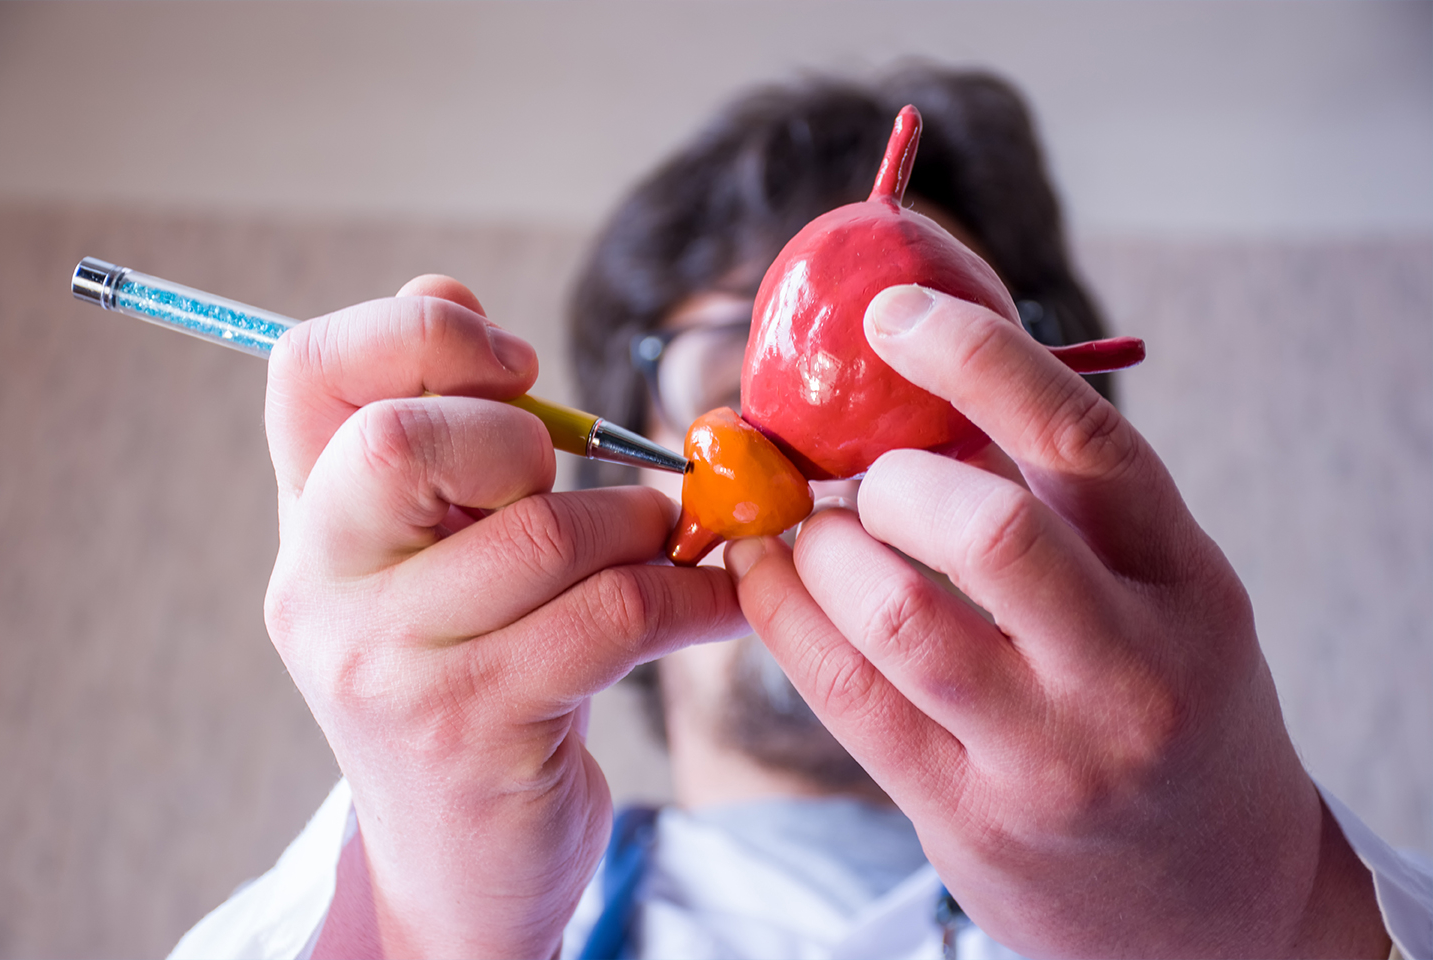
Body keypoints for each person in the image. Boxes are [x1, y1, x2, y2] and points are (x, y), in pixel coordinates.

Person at [171, 69, 1430, 960]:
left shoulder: (1304, 896)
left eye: (928, 408)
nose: (834, 478)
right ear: (625, 486)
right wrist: (420, 925)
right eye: (741, 382)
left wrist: (1268, 914)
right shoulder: (417, 903)